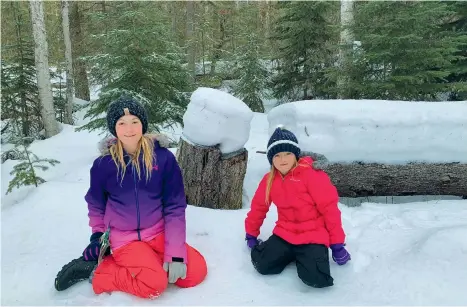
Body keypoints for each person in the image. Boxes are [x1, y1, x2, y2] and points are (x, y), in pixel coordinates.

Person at [54, 96, 207, 298]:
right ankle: (95, 271)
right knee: (154, 284)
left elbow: (175, 207)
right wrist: (98, 237)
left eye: (135, 121)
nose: (129, 129)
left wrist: (175, 252)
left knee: (195, 272)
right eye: (122, 123)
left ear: (143, 124)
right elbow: (96, 205)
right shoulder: (104, 165)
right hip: (125, 239)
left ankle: (149, 260)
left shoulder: (163, 158)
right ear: (114, 128)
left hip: (158, 232)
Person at [244, 126, 350, 288]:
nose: (282, 159)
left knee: (316, 279)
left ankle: (306, 258)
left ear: (296, 155)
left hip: (313, 236)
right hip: (284, 234)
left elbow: (330, 210)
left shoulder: (312, 175)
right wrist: (251, 233)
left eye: (288, 153)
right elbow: (259, 207)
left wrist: (337, 245)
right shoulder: (270, 180)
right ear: (271, 159)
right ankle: (290, 254)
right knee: (262, 264)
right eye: (277, 155)